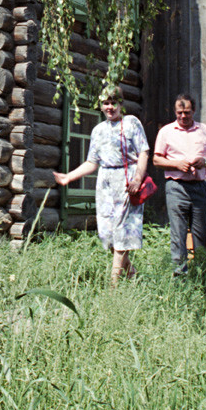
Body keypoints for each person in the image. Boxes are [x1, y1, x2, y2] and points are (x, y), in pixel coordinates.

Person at [53, 87, 149, 284]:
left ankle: (113, 286)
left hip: (127, 180)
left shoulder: (131, 123)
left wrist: (137, 178)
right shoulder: (98, 130)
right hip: (105, 182)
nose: (110, 107)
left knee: (122, 231)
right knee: (109, 233)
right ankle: (134, 277)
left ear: (121, 104)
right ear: (101, 105)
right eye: (106, 103)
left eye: (114, 102)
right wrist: (68, 178)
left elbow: (144, 152)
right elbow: (92, 162)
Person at [153, 93, 206, 276]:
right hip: (176, 188)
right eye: (180, 112)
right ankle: (179, 276)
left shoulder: (203, 130)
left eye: (187, 113)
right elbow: (157, 160)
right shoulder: (166, 131)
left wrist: (203, 161)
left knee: (200, 234)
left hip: (199, 188)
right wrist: (177, 164)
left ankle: (204, 274)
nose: (183, 116)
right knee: (178, 234)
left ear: (194, 111)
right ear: (175, 111)